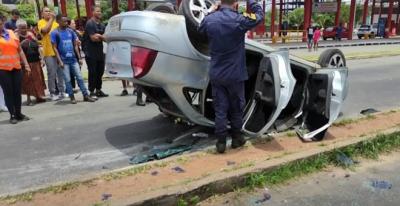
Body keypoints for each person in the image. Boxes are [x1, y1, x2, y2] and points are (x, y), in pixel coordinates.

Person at [199, 0, 263, 153]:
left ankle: (220, 143)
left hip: (217, 74)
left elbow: (200, 28)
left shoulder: (210, 19)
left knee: (220, 109)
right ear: (235, 4)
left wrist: (211, 11)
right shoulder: (239, 19)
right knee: (236, 108)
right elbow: (259, 16)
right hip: (235, 74)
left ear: (220, 3)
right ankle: (236, 139)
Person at [51, 14, 96, 104]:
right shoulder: (55, 33)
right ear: (58, 22)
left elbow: (75, 45)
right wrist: (59, 61)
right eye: (64, 21)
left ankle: (85, 95)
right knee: (67, 80)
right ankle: (72, 96)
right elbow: (54, 48)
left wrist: (79, 57)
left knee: (79, 77)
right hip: (64, 61)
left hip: (73, 59)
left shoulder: (70, 31)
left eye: (67, 21)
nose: (66, 22)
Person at [0, 14, 31, 124]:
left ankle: (19, 113)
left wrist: (26, 64)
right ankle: (12, 115)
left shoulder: (11, 33)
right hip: (3, 69)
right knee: (8, 92)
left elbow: (20, 50)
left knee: (17, 91)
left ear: (3, 22)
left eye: (0, 22)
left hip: (16, 67)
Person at [38, 7, 66, 101]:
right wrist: (51, 19)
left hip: (58, 51)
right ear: (42, 14)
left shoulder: (56, 23)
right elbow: (45, 31)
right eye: (46, 11)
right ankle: (53, 92)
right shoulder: (41, 22)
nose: (48, 12)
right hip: (48, 52)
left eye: (49, 11)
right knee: (52, 73)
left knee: (61, 73)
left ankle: (62, 91)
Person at [16, 19, 47, 106]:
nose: (24, 30)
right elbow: (17, 49)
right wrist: (24, 41)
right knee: (28, 80)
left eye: (25, 28)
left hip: (35, 60)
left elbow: (38, 44)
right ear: (18, 28)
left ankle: (39, 96)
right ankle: (29, 98)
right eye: (22, 28)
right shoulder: (16, 36)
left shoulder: (30, 34)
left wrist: (42, 58)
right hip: (25, 62)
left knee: (38, 79)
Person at [83, 6, 108, 99]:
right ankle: (91, 91)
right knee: (92, 72)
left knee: (100, 72)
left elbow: (106, 39)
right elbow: (93, 39)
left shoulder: (101, 25)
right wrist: (100, 36)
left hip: (99, 52)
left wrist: (99, 35)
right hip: (90, 52)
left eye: (100, 11)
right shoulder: (90, 23)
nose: (100, 12)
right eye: (97, 11)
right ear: (92, 12)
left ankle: (98, 90)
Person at [68, 19, 83, 92]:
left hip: (78, 53)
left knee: (78, 70)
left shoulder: (76, 32)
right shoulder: (68, 33)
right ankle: (72, 87)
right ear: (69, 25)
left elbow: (79, 42)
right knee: (71, 72)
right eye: (73, 23)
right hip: (71, 53)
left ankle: (80, 85)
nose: (75, 25)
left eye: (74, 23)